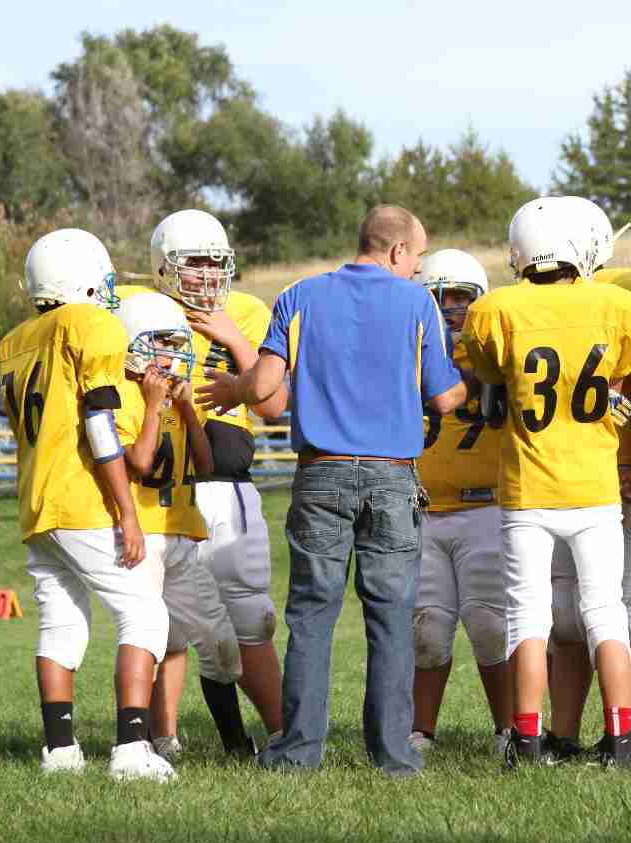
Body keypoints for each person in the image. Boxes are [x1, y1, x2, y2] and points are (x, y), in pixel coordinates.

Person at [200, 204, 465, 777]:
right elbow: (444, 398)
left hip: (321, 473)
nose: (418, 268)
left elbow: (267, 387)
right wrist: (462, 388)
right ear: (396, 251)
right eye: (417, 256)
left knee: (313, 615)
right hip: (393, 478)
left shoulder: (299, 297)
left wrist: (236, 386)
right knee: (392, 617)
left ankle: (298, 752)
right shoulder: (418, 304)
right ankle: (394, 756)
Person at [463, 196, 631, 769]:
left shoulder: (496, 309)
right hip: (593, 485)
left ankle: (528, 738)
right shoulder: (617, 305)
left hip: (527, 487)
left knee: (528, 616)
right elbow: (619, 373)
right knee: (606, 612)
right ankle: (621, 740)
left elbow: (491, 374)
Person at [0, 228, 173, 782]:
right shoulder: (91, 322)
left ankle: (61, 751)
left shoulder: (15, 341)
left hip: (35, 504)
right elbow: (98, 421)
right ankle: (131, 750)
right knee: (144, 610)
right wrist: (125, 509)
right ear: (85, 278)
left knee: (60, 623)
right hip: (80, 498)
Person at [150, 209, 289, 757]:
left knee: (250, 615)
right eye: (195, 262)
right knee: (167, 623)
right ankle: (163, 737)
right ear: (165, 268)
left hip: (228, 483)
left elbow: (275, 403)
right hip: (165, 484)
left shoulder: (249, 311)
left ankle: (282, 735)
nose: (207, 274)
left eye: (216, 261)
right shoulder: (145, 313)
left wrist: (236, 340)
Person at [542, 197, 631, 762]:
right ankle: (563, 733)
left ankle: (621, 731)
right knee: (566, 612)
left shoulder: (626, 292)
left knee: (613, 606)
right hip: (559, 469)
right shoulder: (608, 292)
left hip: (610, 466)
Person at [109, 287, 237, 765]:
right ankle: (138, 740)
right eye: (160, 342)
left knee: (214, 642)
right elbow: (140, 463)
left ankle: (230, 742)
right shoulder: (123, 395)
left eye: (175, 341)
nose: (171, 352)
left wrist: (183, 408)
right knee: (145, 636)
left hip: (183, 531)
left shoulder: (179, 398)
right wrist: (151, 406)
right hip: (141, 536)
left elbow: (206, 464)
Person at [407, 249, 513, 757]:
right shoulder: (404, 355)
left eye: (458, 299)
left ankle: (507, 729)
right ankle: (420, 732)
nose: (447, 310)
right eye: (435, 298)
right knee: (426, 629)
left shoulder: (497, 357)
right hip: (422, 510)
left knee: (491, 625)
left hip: (486, 508)